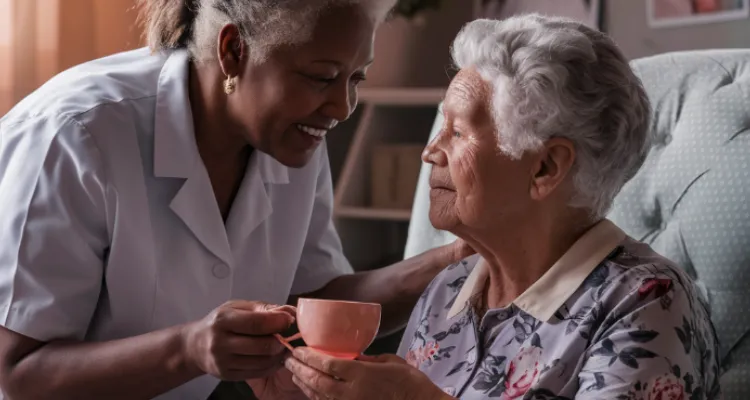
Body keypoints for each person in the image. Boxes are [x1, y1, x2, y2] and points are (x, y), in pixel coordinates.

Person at [0, 1, 473, 399]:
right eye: (321, 77)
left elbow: (313, 303)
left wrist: (456, 260)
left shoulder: (294, 137)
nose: (342, 108)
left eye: (355, 79)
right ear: (233, 51)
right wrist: (187, 350)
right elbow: (15, 373)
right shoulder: (76, 135)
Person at [285, 14, 723, 400]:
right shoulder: (450, 289)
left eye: (457, 134)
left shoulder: (646, 303)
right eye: (443, 126)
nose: (430, 152)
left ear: (546, 168)